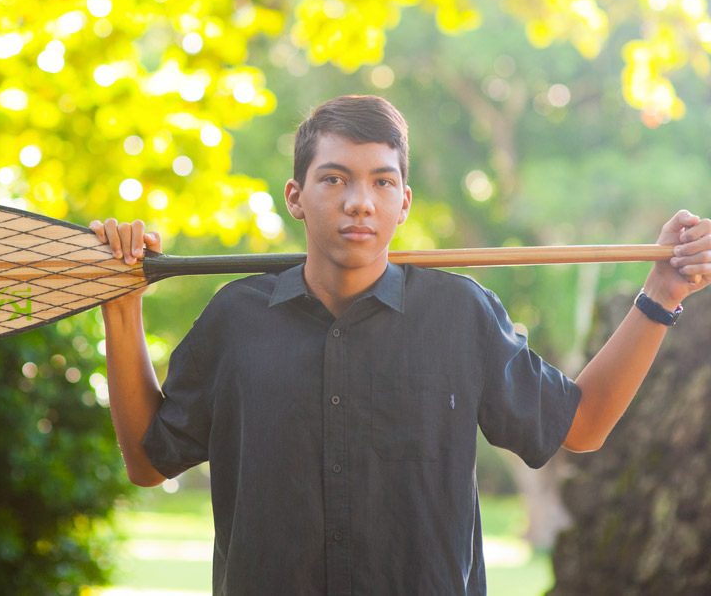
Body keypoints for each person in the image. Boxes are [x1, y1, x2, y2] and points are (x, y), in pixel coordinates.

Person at [90, 95, 711, 595]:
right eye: (334, 178)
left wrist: (661, 295)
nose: (360, 202)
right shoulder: (235, 318)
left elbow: (582, 425)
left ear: (403, 202)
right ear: (296, 197)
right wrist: (122, 307)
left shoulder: (459, 314)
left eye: (382, 182)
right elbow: (149, 462)